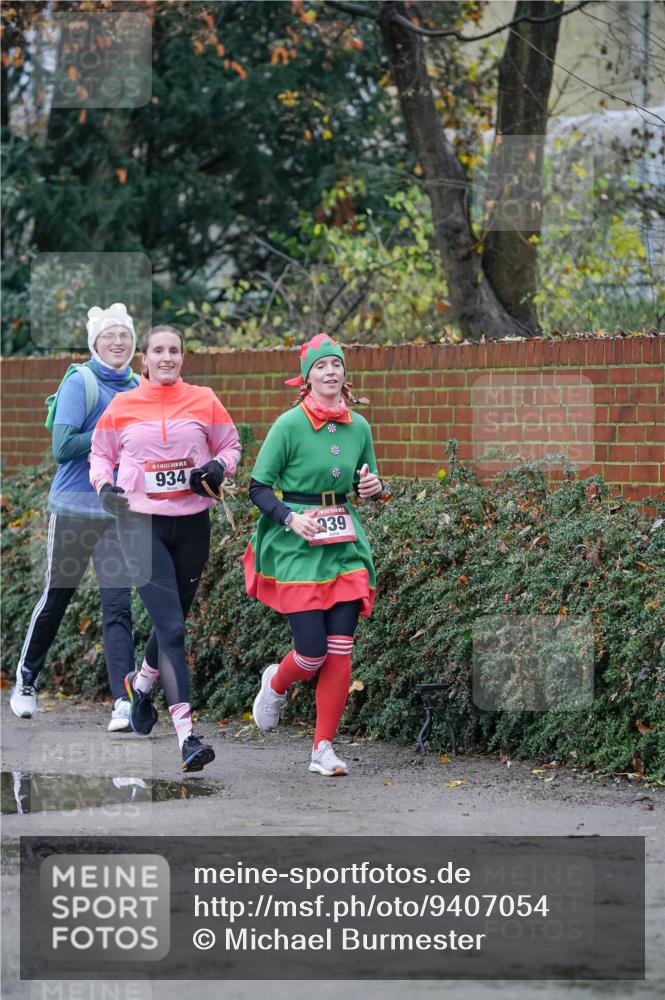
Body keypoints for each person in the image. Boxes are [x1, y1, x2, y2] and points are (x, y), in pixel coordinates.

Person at [89, 324, 241, 772]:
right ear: (145, 359)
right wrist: (104, 486)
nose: (167, 357)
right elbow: (99, 454)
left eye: (174, 350)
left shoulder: (204, 399)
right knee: (173, 629)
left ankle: (142, 683)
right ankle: (187, 737)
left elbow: (231, 446)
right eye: (158, 351)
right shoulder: (123, 404)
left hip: (192, 524)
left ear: (182, 357)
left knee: (173, 621)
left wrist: (216, 466)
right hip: (140, 525)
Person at [243, 333, 389, 777]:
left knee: (341, 647)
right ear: (307, 378)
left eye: (336, 366)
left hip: (342, 542)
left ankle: (322, 747)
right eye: (321, 367)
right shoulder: (288, 425)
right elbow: (257, 488)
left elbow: (370, 481)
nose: (330, 373)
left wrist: (374, 488)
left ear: (345, 375)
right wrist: (290, 518)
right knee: (311, 653)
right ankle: (277, 681)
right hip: (295, 542)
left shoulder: (358, 426)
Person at [10, 303, 139, 731]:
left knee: (118, 605)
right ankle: (26, 679)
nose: (118, 342)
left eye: (124, 335)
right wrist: (112, 425)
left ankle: (123, 699)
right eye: (110, 336)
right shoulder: (79, 381)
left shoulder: (139, 386)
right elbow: (63, 448)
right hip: (73, 510)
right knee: (57, 596)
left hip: (117, 513)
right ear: (95, 343)